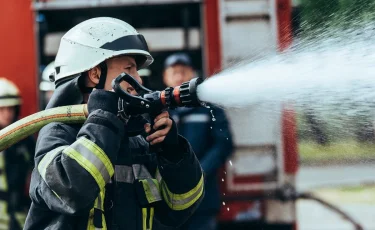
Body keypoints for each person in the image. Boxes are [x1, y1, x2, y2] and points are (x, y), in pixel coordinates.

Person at [24, 17, 204, 230]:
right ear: (95, 74)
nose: (139, 79)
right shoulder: (57, 132)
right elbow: (71, 191)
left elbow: (180, 208)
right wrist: (105, 117)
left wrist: (173, 154)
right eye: (129, 69)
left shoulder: (137, 140)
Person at [162, 53, 233, 230]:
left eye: (184, 71)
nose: (179, 76)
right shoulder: (159, 110)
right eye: (174, 72)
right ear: (165, 77)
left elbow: (224, 144)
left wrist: (199, 171)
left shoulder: (208, 108)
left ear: (193, 74)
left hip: (203, 202)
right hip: (166, 205)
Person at [0, 78, 35, 230]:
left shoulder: (25, 138)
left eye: (10, 109)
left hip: (21, 214)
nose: (6, 114)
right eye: (1, 109)